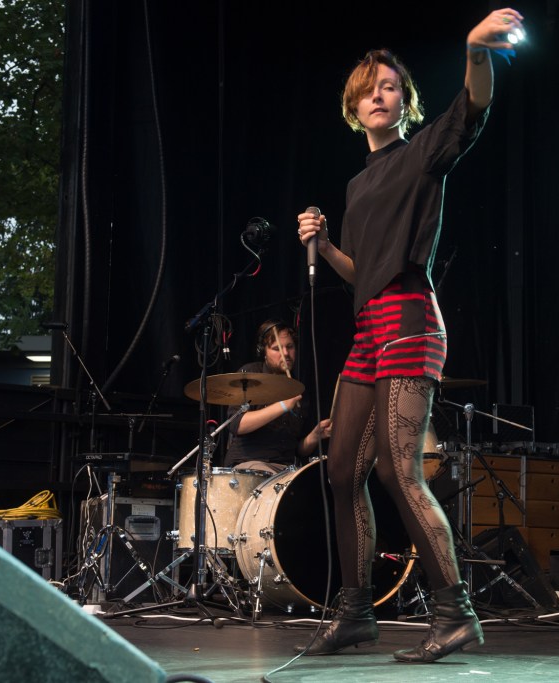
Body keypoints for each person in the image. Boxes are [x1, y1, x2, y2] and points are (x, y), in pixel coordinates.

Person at [296, 8, 524, 664]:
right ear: (352, 105)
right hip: (370, 328)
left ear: (405, 102)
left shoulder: (423, 151)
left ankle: (456, 611)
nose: (378, 94)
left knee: (400, 470)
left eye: (390, 86)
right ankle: (355, 612)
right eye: (368, 87)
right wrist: (324, 243)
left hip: (410, 320)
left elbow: (473, 107)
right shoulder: (358, 182)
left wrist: (475, 49)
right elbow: (359, 274)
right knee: (342, 473)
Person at [222, 320, 331, 474]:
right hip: (249, 464)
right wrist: (281, 406)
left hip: (286, 470)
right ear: (263, 352)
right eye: (277, 349)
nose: (285, 353)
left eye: (290, 347)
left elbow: (299, 450)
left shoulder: (299, 388)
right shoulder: (251, 374)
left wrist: (315, 436)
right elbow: (237, 425)